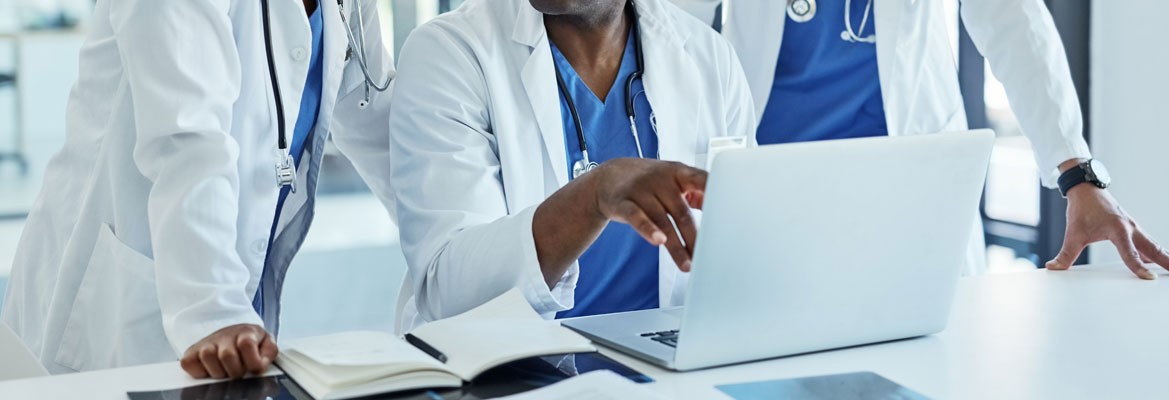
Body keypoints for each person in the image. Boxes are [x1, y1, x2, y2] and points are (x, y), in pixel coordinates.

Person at [1, 0, 397, 378]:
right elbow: (187, 136)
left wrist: (449, 236)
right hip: (126, 302)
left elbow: (376, 118)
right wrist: (214, 309)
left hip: (229, 302)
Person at [671, 0, 1169, 278]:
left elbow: (1012, 18)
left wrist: (1077, 173)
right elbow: (671, 27)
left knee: (924, 370)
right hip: (775, 194)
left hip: (910, 194)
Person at [389, 0, 755, 329]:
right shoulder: (449, 52)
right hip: (512, 373)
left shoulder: (710, 58)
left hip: (666, 369)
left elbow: (745, 250)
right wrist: (594, 194)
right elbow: (447, 289)